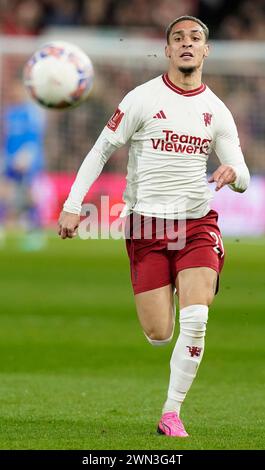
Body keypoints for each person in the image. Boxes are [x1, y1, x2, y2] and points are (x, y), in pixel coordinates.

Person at [58, 16, 250, 437]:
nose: (186, 44)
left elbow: (244, 175)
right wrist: (74, 205)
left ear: (205, 50)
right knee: (160, 333)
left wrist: (232, 172)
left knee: (196, 318)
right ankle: (176, 301)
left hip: (198, 223)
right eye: (177, 38)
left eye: (195, 38)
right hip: (146, 227)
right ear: (167, 50)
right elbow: (100, 150)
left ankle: (171, 412)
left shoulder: (216, 110)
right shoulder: (141, 99)